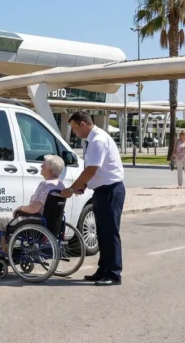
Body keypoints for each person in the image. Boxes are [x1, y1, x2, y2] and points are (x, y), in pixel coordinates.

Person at [60, 111, 125, 286]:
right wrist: (85, 185)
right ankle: (103, 269)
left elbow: (91, 170)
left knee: (110, 233)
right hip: (102, 190)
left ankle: (113, 273)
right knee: (102, 233)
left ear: (83, 124)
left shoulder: (97, 140)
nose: (74, 132)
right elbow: (96, 171)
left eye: (74, 128)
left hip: (110, 190)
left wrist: (73, 188)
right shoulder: (92, 140)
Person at [0, 155, 65, 260]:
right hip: (52, 223)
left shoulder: (45, 185)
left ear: (50, 170)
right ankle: (5, 250)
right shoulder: (60, 186)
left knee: (2, 221)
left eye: (43, 164)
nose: (41, 165)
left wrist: (20, 208)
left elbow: (34, 209)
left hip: (36, 221)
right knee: (14, 222)